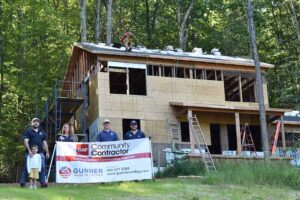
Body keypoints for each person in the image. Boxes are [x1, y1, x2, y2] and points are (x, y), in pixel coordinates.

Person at [20, 118, 49, 188]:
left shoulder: (42, 133)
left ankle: (43, 183)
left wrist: (47, 152)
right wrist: (29, 151)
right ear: (32, 123)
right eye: (34, 122)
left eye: (37, 122)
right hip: (29, 153)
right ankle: (22, 183)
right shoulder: (28, 131)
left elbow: (45, 144)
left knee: (42, 167)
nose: (36, 123)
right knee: (27, 167)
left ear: (38, 123)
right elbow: (25, 141)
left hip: (40, 153)